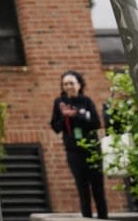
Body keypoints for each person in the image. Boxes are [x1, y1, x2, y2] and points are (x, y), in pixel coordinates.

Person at [50, 70, 108, 219]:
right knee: (82, 188)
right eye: (65, 84)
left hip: (91, 148)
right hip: (73, 150)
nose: (68, 87)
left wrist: (78, 115)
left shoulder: (86, 101)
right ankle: (87, 217)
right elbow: (55, 127)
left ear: (79, 84)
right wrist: (64, 117)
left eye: (71, 83)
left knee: (98, 187)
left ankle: (103, 217)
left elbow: (96, 123)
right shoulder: (60, 103)